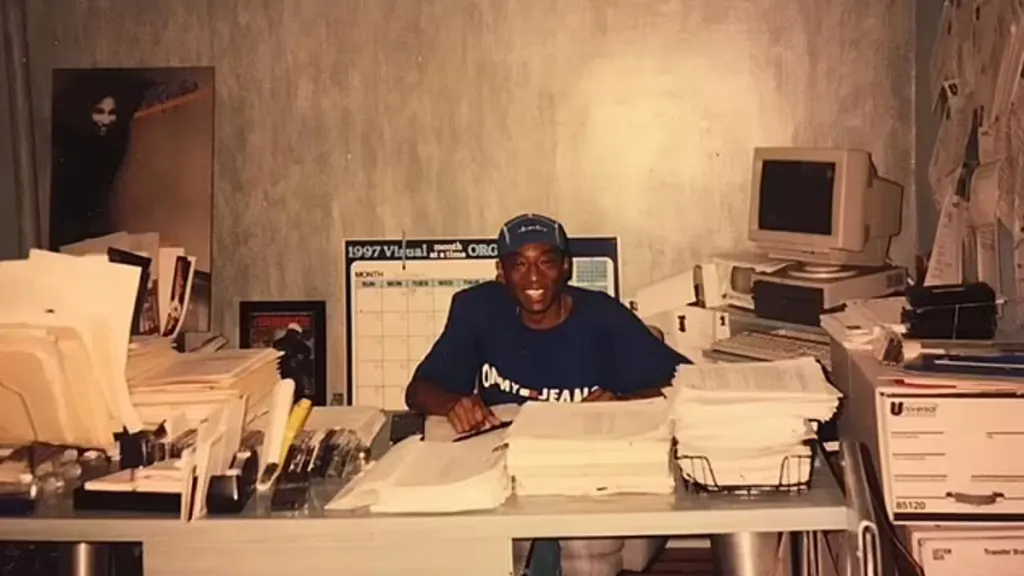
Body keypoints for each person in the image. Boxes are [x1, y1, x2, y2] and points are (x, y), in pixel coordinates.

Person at [405, 213, 690, 575]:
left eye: (546, 262)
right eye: (520, 264)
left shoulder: (602, 318)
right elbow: (418, 390)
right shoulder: (477, 310)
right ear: (500, 271)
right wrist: (452, 404)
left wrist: (624, 402)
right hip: (509, 476)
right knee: (480, 542)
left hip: (587, 479)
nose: (534, 277)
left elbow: (686, 385)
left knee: (585, 548)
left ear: (566, 267)